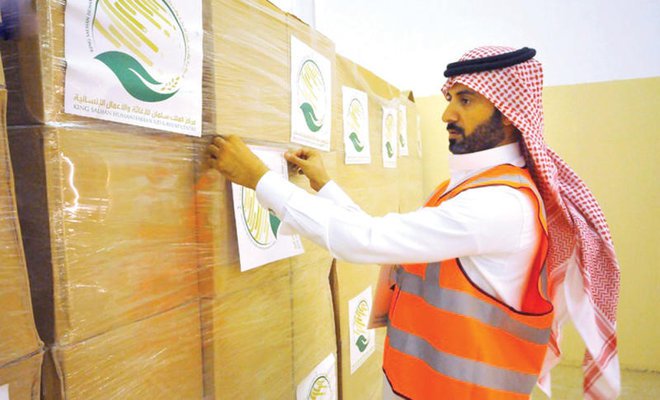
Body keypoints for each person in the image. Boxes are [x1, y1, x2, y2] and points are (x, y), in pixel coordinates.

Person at [208, 46, 620, 400]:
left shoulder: (500, 205)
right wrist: (324, 184)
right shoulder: (469, 190)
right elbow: (387, 240)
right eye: (450, 98)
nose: (447, 114)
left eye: (465, 100)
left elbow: (365, 241)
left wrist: (259, 179)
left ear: (510, 114)